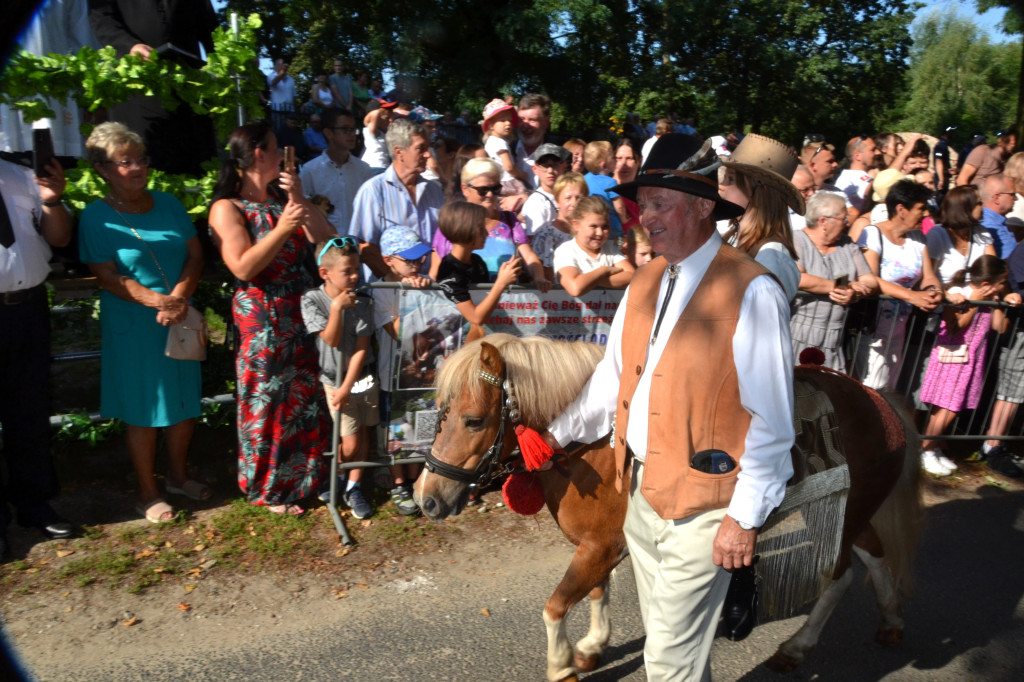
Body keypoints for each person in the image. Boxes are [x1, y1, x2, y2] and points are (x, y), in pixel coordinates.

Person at [544, 133, 795, 681]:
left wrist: (743, 519)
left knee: (667, 667)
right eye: (642, 203)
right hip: (639, 497)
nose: (644, 217)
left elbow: (773, 425)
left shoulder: (753, 291)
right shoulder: (646, 279)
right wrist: (551, 439)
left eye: (660, 203)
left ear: (704, 206)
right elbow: (611, 383)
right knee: (676, 652)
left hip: (707, 511)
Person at [78, 122, 207, 523]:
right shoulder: (96, 217)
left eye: (141, 159)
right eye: (125, 161)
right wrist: (159, 301)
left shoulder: (168, 203)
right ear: (102, 168)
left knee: (184, 404)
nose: (137, 168)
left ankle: (178, 477)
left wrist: (179, 299)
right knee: (143, 410)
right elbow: (107, 276)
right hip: (135, 326)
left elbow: (195, 256)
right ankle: (147, 492)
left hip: (178, 317)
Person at [208, 121, 333, 515]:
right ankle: (268, 487)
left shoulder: (283, 199)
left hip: (299, 310)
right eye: (277, 148)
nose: (283, 155)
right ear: (258, 154)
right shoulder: (228, 208)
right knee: (267, 400)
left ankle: (303, 479)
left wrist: (298, 198)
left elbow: (328, 241)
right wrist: (282, 229)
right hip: (261, 316)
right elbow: (243, 267)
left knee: (302, 399)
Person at [0, 152, 75, 557]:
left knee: (29, 412)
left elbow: (59, 238)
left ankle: (35, 506)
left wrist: (51, 199)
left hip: (26, 308)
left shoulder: (20, 174)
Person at [301, 237, 384, 518]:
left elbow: (362, 348)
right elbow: (332, 339)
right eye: (347, 271)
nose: (354, 276)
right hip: (334, 381)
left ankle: (353, 486)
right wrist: (336, 308)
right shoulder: (312, 299)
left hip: (362, 378)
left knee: (363, 434)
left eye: (356, 269)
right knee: (348, 441)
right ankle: (338, 476)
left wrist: (349, 386)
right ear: (325, 273)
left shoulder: (363, 301)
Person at [88, 0, 218, 175]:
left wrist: (231, 57)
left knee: (196, 165)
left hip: (189, 91)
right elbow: (102, 20)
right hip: (137, 89)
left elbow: (211, 29)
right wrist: (130, 46)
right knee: (142, 163)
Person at [919, 256, 1011, 476]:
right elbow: (956, 327)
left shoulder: (989, 298)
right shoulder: (960, 294)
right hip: (952, 361)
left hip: (969, 362)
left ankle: (935, 446)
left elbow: (1000, 327)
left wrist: (996, 301)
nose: (1004, 286)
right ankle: (926, 450)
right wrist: (973, 302)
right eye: (1002, 282)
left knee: (948, 409)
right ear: (987, 283)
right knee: (947, 409)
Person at [854, 180, 943, 390]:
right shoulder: (872, 234)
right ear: (901, 209)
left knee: (888, 389)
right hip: (872, 329)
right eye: (921, 209)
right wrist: (912, 296)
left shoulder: (918, 238)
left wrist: (933, 292)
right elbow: (871, 278)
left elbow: (928, 276)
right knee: (870, 389)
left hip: (899, 328)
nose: (926, 215)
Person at [372, 226, 432, 512]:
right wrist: (415, 297)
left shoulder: (427, 282)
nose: (417, 265)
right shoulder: (382, 290)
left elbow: (436, 324)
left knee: (420, 431)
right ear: (388, 260)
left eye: (420, 258)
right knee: (397, 433)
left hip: (423, 374)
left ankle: (417, 479)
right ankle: (399, 485)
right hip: (393, 376)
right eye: (409, 260)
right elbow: (398, 331)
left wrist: (423, 292)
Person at [432, 158, 550, 291]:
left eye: (495, 189)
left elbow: (528, 256)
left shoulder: (509, 221)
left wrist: (539, 277)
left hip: (507, 303)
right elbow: (435, 271)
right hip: (463, 302)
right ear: (465, 189)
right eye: (483, 190)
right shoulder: (452, 222)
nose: (490, 194)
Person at [790, 192, 878, 371]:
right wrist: (841, 287)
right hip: (798, 334)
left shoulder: (847, 244)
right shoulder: (796, 239)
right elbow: (798, 277)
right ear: (824, 221)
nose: (847, 223)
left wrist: (856, 292)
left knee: (829, 394)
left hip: (834, 339)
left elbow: (870, 280)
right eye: (844, 218)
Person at [350, 118, 445, 281]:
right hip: (387, 294)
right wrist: (396, 283)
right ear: (399, 151)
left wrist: (431, 279)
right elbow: (366, 248)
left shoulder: (434, 191)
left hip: (429, 290)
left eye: (428, 148)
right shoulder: (373, 191)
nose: (428, 154)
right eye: (421, 148)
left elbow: (441, 240)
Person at [719, 133, 803, 301]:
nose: (721, 186)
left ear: (760, 191)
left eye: (730, 179)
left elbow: (765, 321)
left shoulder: (772, 256)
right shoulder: (732, 236)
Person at [434, 201, 522, 341]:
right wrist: (501, 282)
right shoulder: (449, 270)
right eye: (481, 228)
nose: (487, 233)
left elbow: (486, 303)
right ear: (465, 231)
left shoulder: (476, 261)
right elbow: (476, 318)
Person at [299, 107, 373, 236]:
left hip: (356, 247)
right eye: (345, 129)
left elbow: (370, 211)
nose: (352, 134)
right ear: (329, 133)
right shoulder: (310, 171)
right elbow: (303, 213)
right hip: (326, 249)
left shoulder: (364, 170)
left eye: (353, 129)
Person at [553, 195, 634, 296]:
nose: (599, 233)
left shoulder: (609, 248)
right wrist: (603, 270)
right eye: (593, 226)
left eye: (605, 227)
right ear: (576, 225)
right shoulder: (565, 251)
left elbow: (631, 276)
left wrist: (588, 280)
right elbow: (575, 288)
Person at [926, 186, 996, 288]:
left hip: (977, 297)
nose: (983, 207)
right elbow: (928, 278)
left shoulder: (981, 232)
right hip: (945, 298)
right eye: (979, 203)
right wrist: (946, 295)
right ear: (965, 208)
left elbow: (993, 270)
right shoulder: (937, 234)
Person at [531, 172, 587, 283]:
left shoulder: (590, 232)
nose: (574, 203)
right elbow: (546, 274)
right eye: (568, 198)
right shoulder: (546, 235)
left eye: (579, 197)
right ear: (557, 202)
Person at [519, 143, 570, 236]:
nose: (550, 171)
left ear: (563, 166)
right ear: (535, 169)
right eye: (545, 165)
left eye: (555, 165)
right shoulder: (536, 203)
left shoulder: (570, 196)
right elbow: (536, 240)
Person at [481, 99, 529, 194]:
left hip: (496, 182)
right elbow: (509, 167)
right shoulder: (500, 142)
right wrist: (520, 175)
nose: (508, 123)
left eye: (510, 121)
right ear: (491, 125)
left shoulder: (489, 141)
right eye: (502, 120)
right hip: (508, 181)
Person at [515, 93, 553, 187]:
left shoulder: (558, 156)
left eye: (532, 120)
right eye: (521, 119)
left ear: (546, 122)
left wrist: (525, 197)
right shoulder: (504, 150)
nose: (525, 125)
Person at [979, 174, 1019, 259]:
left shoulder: (998, 221)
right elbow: (1012, 260)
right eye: (1012, 194)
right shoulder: (990, 226)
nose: (1016, 198)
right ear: (997, 198)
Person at [360, 99, 396, 174]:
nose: (390, 121)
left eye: (391, 117)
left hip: (383, 168)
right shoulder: (373, 132)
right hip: (374, 167)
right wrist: (378, 109)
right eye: (386, 118)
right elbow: (373, 114)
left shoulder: (383, 133)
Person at [265, 58, 297, 136]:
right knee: (278, 132)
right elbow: (274, 83)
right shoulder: (271, 76)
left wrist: (295, 109)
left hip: (290, 110)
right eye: (281, 65)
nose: (284, 66)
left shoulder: (291, 79)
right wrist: (282, 72)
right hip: (277, 111)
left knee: (290, 133)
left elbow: (294, 95)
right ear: (276, 66)